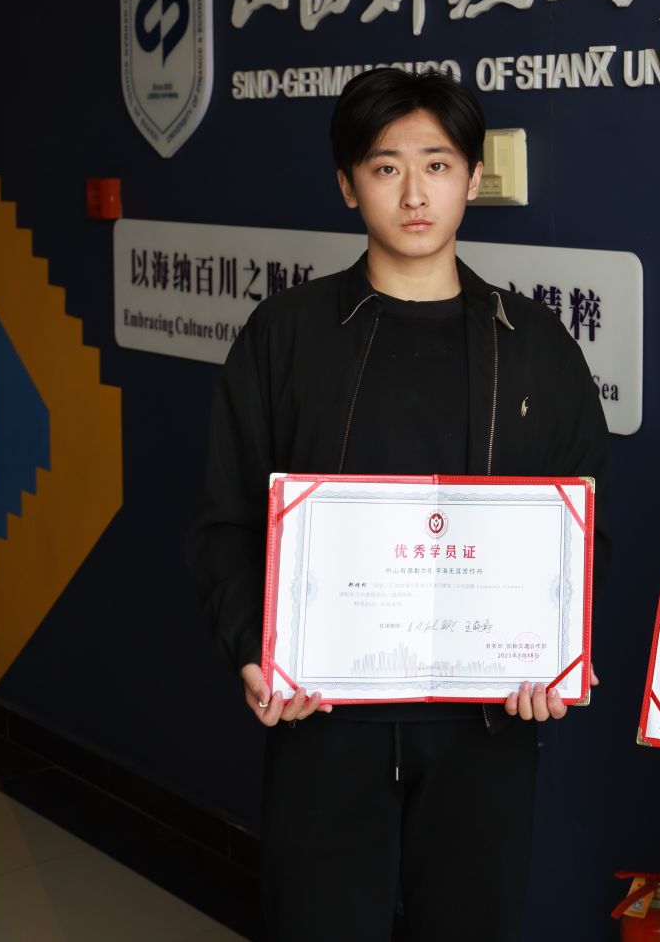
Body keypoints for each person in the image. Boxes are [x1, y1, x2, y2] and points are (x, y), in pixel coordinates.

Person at [185, 67, 608, 942]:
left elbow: (579, 525)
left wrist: (559, 652)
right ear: (348, 185)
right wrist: (254, 648)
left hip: (487, 722)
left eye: (438, 165)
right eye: (386, 168)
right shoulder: (286, 335)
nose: (415, 193)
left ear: (473, 178)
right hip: (324, 719)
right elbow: (227, 518)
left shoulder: (535, 346)